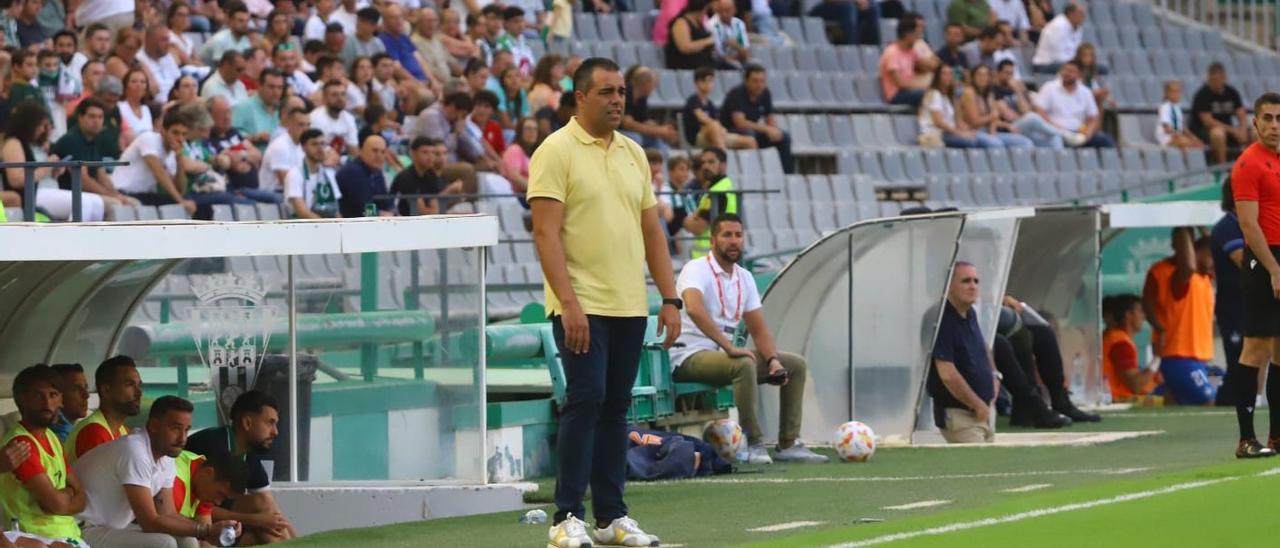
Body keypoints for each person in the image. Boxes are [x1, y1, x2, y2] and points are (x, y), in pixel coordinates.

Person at [530, 57, 679, 548]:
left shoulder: (635, 153)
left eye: (621, 92)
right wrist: (568, 304)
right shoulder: (555, 151)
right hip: (582, 304)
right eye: (606, 92)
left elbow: (652, 231)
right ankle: (566, 517)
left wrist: (670, 297)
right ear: (580, 98)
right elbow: (546, 234)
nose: (618, 100)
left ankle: (611, 516)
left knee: (616, 409)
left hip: (629, 303)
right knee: (585, 403)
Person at [671, 213, 826, 463]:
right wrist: (730, 347)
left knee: (794, 365)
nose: (734, 241)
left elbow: (759, 329)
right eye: (727, 235)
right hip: (688, 355)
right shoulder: (695, 269)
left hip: (725, 355)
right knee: (744, 363)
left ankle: (788, 444)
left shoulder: (744, 277)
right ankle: (754, 443)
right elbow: (694, 309)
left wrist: (773, 360)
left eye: (738, 235)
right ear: (712, 240)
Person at [74, 396, 240, 548]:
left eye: (187, 430)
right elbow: (150, 522)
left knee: (188, 541)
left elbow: (167, 514)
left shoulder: (166, 457)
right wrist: (206, 531)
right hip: (83, 528)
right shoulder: (135, 451)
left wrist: (207, 530)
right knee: (163, 543)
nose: (182, 438)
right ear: (153, 426)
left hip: (112, 527)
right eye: (176, 428)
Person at [1228, 91, 1280, 457]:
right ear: (1255, 122)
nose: (1275, 126)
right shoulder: (1248, 164)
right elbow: (1249, 226)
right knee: (1257, 348)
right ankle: (1246, 438)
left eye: (1279, 119)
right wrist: (1274, 269)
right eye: (1268, 119)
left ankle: (1278, 436)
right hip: (1262, 260)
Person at [185, 391, 295, 545]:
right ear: (247, 423)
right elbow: (195, 505)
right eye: (270, 422)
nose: (275, 432)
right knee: (261, 522)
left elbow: (272, 513)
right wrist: (255, 520)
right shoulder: (211, 444)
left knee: (262, 510)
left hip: (218, 525)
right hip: (189, 523)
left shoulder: (250, 456)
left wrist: (300, 541)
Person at [0, 365, 87, 547]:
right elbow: (56, 504)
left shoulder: (51, 437)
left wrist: (66, 497)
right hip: (35, 536)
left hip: (68, 534)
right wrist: (67, 496)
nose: (47, 404)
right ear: (22, 400)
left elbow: (81, 496)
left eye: (53, 395)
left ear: (61, 400)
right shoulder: (22, 444)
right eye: (38, 396)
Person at [1142, 227, 1217, 406]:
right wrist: (1185, 222)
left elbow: (1217, 248)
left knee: (1175, 403)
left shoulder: (1205, 277)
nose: (1214, 261)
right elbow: (1147, 301)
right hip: (1179, 356)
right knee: (1210, 402)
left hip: (1195, 357)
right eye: (1210, 256)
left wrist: (1202, 228)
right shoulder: (1180, 276)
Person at [927, 262, 999, 443]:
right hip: (961, 416)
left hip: (983, 412)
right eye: (966, 281)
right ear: (949, 285)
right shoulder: (940, 319)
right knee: (979, 469)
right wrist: (977, 404)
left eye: (976, 281)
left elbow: (983, 347)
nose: (973, 286)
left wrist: (995, 376)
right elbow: (948, 375)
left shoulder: (969, 313)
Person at [1, 102, 107, 221]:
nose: (42, 130)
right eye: (40, 125)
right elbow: (16, 180)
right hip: (30, 195)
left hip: (44, 189)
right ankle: (73, 236)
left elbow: (37, 172)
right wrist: (47, 165)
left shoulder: (34, 144)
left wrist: (53, 171)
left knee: (97, 203)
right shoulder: (13, 143)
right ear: (29, 124)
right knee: (83, 203)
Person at [1212, 180, 1253, 407]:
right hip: (1234, 307)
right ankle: (1228, 402)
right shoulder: (1227, 227)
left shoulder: (1251, 225)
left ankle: (1250, 400)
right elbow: (1243, 262)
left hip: (1252, 304)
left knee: (1256, 357)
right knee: (1239, 361)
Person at [112, 107, 197, 214]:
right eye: (175, 133)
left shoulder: (173, 154)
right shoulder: (149, 139)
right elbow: (159, 173)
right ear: (163, 131)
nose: (180, 139)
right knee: (179, 204)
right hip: (124, 191)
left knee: (188, 203)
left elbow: (180, 190)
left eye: (184, 134)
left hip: (144, 195)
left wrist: (179, 160)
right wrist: (181, 201)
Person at [65, 355, 140, 465]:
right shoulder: (94, 432)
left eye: (139, 385)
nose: (139, 392)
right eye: (129, 385)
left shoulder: (122, 430)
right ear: (106, 390)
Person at [720, 64, 794, 173]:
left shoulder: (765, 93)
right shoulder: (736, 93)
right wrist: (767, 129)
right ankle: (754, 172)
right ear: (746, 81)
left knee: (784, 136)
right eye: (755, 81)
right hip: (731, 131)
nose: (759, 84)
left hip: (753, 131)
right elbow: (739, 122)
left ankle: (786, 174)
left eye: (762, 81)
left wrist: (774, 130)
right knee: (749, 133)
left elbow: (770, 116)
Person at [1031, 61, 1114, 148]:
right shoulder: (1049, 87)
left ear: (1079, 75)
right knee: (1055, 140)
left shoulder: (1085, 92)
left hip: (1078, 132)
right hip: (1056, 132)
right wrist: (1054, 127)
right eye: (1065, 70)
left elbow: (1093, 117)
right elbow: (1039, 110)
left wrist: (1088, 132)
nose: (1067, 74)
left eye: (1071, 71)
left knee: (1105, 140)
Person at [920, 64, 1000, 148]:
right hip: (935, 134)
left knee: (975, 139)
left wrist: (962, 128)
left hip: (948, 132)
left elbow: (956, 118)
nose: (948, 77)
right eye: (944, 74)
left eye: (950, 74)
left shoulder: (947, 96)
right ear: (937, 76)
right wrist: (959, 132)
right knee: (972, 142)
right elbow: (938, 122)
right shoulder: (934, 94)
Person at [1102, 294, 1162, 401]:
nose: (1144, 316)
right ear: (1128, 315)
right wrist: (1157, 357)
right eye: (1140, 311)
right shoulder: (1120, 344)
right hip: (1116, 400)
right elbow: (1135, 385)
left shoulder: (1114, 337)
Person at [957, 64, 1033, 148]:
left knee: (1026, 143)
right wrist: (993, 116)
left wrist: (1006, 125)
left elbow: (994, 120)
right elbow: (975, 122)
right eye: (979, 74)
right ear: (973, 77)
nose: (983, 78)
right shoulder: (969, 92)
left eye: (986, 75)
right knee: (996, 144)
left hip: (988, 131)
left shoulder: (989, 94)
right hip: (974, 131)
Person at [992, 60, 1062, 148]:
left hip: (1022, 125)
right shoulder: (994, 90)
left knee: (1054, 138)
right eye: (1006, 73)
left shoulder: (1012, 89)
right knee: (1032, 117)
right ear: (998, 73)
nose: (1009, 76)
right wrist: (1022, 116)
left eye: (1011, 73)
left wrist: (1018, 91)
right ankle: (1064, 133)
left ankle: (1059, 141)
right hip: (1009, 128)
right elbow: (1009, 116)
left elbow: (1025, 110)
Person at [1191, 63, 1251, 165]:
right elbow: (1208, 122)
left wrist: (1243, 130)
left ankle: (1251, 166)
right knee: (1218, 134)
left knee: (1255, 133)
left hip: (1228, 129)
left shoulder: (1231, 92)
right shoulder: (1202, 94)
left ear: (1224, 78)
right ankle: (1221, 168)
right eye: (1212, 80)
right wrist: (1233, 131)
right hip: (1205, 131)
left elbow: (1241, 113)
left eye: (1218, 79)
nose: (1215, 83)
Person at [682, 66, 755, 150]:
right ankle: (723, 156)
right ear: (697, 83)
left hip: (715, 134)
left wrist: (720, 129)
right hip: (698, 137)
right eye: (704, 81)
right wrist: (718, 127)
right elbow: (701, 117)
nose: (708, 84)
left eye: (711, 81)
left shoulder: (710, 104)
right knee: (714, 126)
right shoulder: (693, 100)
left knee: (750, 141)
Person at [682, 147, 737, 259]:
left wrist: (682, 219)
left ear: (723, 165)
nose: (705, 166)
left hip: (711, 259)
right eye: (703, 162)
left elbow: (697, 227)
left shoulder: (717, 193)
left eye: (711, 162)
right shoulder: (721, 187)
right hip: (713, 259)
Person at [170, 451, 245, 523]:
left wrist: (225, 529)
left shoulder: (203, 479)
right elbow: (167, 522)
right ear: (208, 472)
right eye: (220, 494)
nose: (218, 502)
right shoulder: (176, 480)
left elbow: (205, 529)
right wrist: (208, 530)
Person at [284, 128, 341, 219]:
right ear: (303, 147)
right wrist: (328, 227)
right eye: (314, 144)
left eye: (322, 144)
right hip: (302, 227)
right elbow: (302, 213)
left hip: (328, 225)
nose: (320, 148)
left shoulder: (329, 173)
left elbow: (336, 210)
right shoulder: (295, 174)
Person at [621, 66, 679, 154]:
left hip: (633, 132)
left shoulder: (642, 97)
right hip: (618, 132)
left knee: (659, 142)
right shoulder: (626, 93)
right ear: (646, 83)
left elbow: (643, 121)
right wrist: (658, 131)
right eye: (653, 83)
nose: (654, 87)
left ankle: (661, 166)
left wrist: (664, 130)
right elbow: (627, 124)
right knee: (636, 139)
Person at [879, 16, 933, 107]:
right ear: (908, 33)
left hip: (910, 91)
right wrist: (926, 87)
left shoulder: (911, 51)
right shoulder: (892, 53)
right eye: (917, 34)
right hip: (896, 95)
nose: (919, 38)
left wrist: (924, 49)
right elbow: (901, 84)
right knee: (930, 95)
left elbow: (929, 67)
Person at [336, 134, 393, 218]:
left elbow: (385, 202)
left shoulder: (376, 171)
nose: (379, 155)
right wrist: (384, 215)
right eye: (375, 151)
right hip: (351, 225)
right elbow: (363, 208)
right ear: (361, 151)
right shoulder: (353, 172)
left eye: (383, 152)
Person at [258, 108, 310, 196]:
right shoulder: (280, 146)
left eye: (308, 125)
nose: (306, 129)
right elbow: (286, 182)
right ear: (289, 125)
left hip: (293, 192)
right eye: (301, 125)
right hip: (273, 194)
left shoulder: (303, 146)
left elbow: (307, 178)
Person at [391, 136, 446, 216]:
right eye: (425, 152)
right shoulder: (406, 177)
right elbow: (421, 212)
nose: (430, 157)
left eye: (433, 153)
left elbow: (435, 205)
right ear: (413, 153)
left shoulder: (430, 174)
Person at [231, 68, 284, 148]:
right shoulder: (244, 106)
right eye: (271, 87)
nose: (276, 92)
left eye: (279, 88)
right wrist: (254, 137)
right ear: (259, 85)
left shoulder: (283, 109)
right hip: (255, 155)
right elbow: (231, 135)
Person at [1031, 1, 1086, 73]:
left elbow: (1075, 52)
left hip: (1066, 63)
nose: (1084, 17)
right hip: (1045, 65)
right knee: (1077, 69)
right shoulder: (1057, 26)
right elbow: (1058, 56)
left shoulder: (1078, 28)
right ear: (1071, 14)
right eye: (1081, 14)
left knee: (1095, 68)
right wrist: (1075, 65)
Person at [378, 4, 429, 83]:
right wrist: (418, 83)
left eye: (400, 17)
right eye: (394, 17)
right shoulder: (383, 40)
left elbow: (421, 61)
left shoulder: (405, 38)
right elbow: (397, 70)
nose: (398, 20)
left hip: (423, 80)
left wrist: (433, 81)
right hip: (408, 82)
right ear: (385, 21)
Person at [310, 80, 359, 157]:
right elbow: (316, 152)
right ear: (324, 98)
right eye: (334, 95)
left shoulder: (349, 118)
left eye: (343, 94)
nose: (340, 98)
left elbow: (354, 151)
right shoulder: (315, 119)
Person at [665, 0, 717, 70]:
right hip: (685, 62)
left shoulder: (698, 23)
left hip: (704, 60)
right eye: (706, 9)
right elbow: (685, 47)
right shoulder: (681, 22)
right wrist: (707, 41)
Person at [197, 1, 252, 66]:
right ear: (231, 21)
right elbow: (221, 68)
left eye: (247, 21)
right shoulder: (220, 39)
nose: (245, 25)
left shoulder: (245, 40)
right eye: (240, 21)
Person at [137, 23, 181, 101]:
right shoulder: (138, 60)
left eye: (168, 39)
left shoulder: (167, 57)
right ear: (150, 41)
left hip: (176, 100)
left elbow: (178, 82)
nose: (168, 44)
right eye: (164, 40)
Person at [1157, 80, 1204, 150]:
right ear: (1166, 93)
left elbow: (1182, 127)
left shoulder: (1177, 108)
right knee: (1185, 143)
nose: (1176, 94)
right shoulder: (1164, 107)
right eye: (1173, 92)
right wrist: (1181, 137)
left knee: (1198, 144)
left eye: (1178, 91)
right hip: (1166, 138)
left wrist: (1193, 137)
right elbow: (1167, 129)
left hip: (1177, 136)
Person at [48, 364, 89, 441]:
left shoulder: (74, 430)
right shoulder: (59, 436)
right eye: (76, 389)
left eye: (86, 387)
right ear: (57, 394)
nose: (86, 395)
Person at [501, 117, 540, 197]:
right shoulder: (514, 149)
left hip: (528, 194)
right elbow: (515, 177)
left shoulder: (528, 152)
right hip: (517, 197)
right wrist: (538, 190)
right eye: (528, 128)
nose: (532, 132)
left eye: (535, 129)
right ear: (520, 132)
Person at [708, 0, 750, 68]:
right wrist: (735, 56)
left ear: (734, 10)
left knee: (755, 64)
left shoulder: (739, 23)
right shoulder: (712, 25)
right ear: (717, 10)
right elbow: (719, 54)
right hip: (719, 61)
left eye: (727, 10)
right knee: (736, 65)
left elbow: (746, 51)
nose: (724, 14)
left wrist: (736, 46)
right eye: (721, 10)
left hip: (739, 57)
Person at [497, 6, 537, 75]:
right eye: (516, 21)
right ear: (506, 23)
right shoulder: (502, 43)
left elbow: (532, 65)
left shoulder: (525, 41)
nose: (521, 24)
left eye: (522, 21)